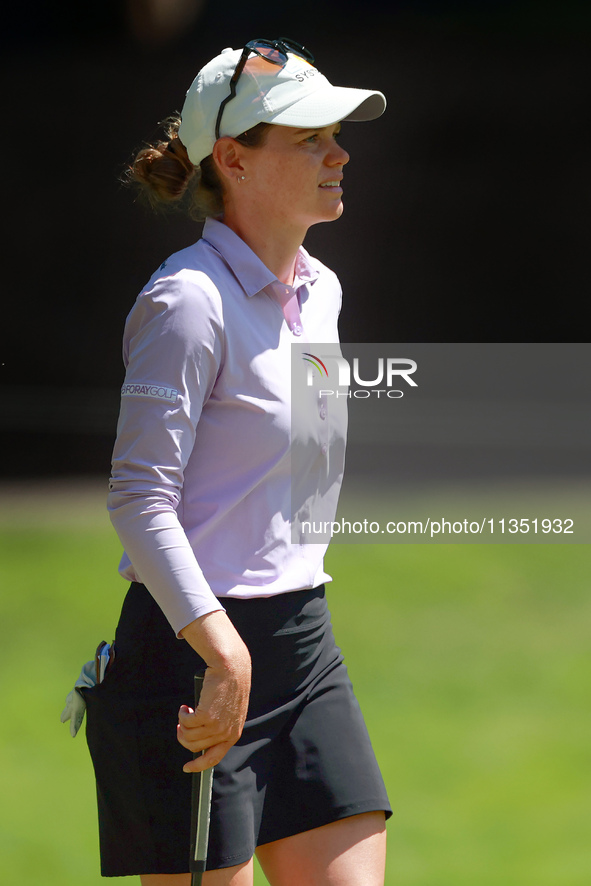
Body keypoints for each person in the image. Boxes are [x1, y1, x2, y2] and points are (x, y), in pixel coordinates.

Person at [83, 38, 391, 886]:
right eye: (307, 137)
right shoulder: (186, 302)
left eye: (335, 133)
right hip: (192, 657)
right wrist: (221, 650)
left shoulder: (320, 289)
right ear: (233, 160)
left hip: (303, 644)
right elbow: (138, 497)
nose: (339, 152)